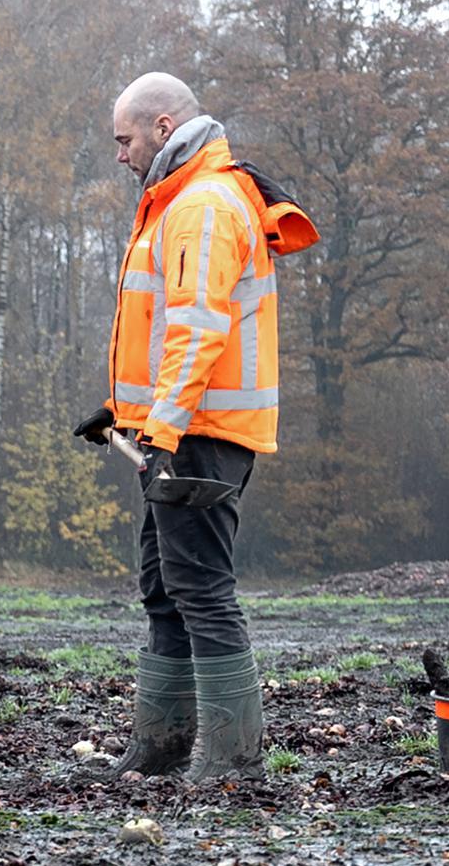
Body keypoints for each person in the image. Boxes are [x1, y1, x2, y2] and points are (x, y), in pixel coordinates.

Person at [75, 73, 317, 782]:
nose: (119, 155)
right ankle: (162, 751)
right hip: (183, 429)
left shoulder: (203, 204)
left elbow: (198, 328)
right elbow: (166, 334)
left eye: (124, 139)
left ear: (162, 127)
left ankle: (234, 763)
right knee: (165, 585)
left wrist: (162, 430)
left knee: (202, 589)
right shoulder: (181, 199)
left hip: (200, 434)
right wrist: (124, 413)